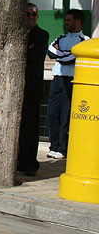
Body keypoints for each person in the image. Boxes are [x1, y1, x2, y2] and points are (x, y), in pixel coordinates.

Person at [45, 9, 89, 160]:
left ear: (78, 22)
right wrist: (64, 54)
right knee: (52, 114)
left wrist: (61, 54)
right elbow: (51, 52)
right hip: (57, 79)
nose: (66, 22)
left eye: (69, 20)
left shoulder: (84, 40)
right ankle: (54, 146)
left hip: (70, 80)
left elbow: (71, 57)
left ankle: (63, 148)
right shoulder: (61, 38)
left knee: (65, 115)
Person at [18, 3, 49, 176]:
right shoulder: (17, 33)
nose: (31, 17)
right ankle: (19, 160)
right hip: (16, 87)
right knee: (18, 128)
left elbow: (31, 55)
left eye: (34, 14)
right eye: (28, 14)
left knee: (30, 128)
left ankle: (30, 163)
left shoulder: (41, 35)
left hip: (32, 88)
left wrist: (25, 50)